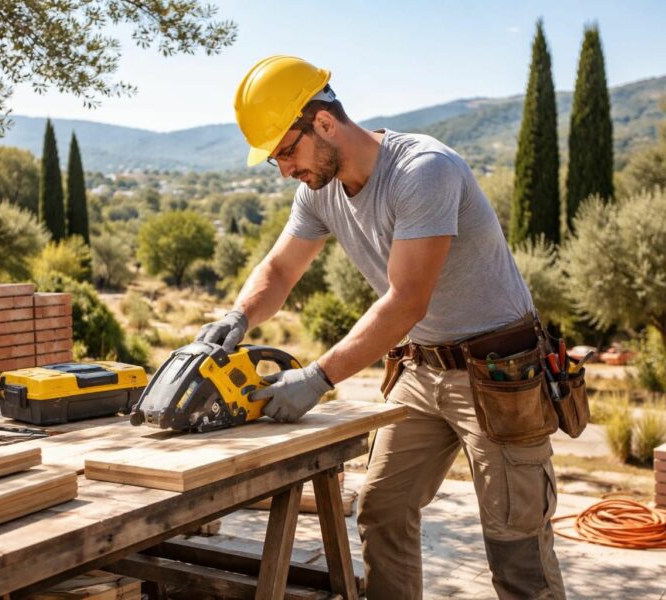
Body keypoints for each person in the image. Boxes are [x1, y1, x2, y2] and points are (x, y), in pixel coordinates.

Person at [195, 55, 566, 599]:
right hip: (422, 367)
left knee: (515, 544)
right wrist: (239, 314)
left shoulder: (424, 170)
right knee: (382, 511)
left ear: (323, 123)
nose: (284, 170)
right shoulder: (318, 190)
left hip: (498, 370)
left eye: (285, 152)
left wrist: (319, 377)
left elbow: (406, 301)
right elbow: (278, 270)